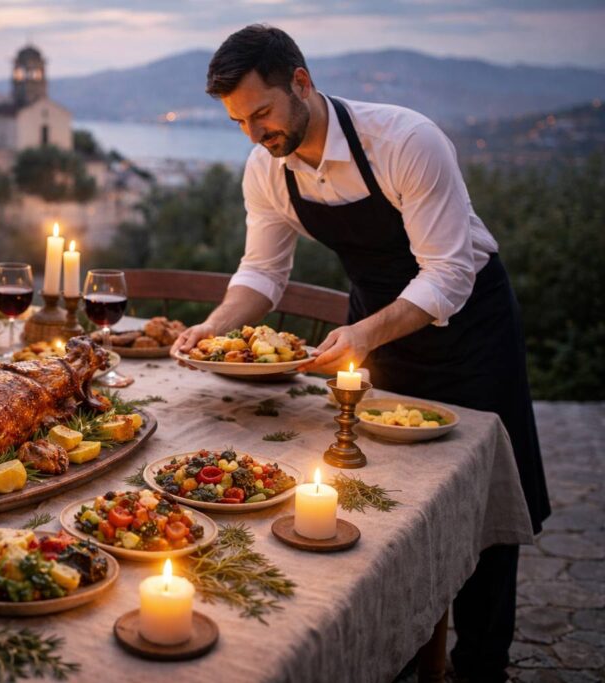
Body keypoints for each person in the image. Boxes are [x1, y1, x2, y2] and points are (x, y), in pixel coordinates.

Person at [173, 24, 549, 681]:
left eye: (261, 114)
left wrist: (365, 333)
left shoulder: (405, 141)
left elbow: (448, 274)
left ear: (302, 82)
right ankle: (396, 648)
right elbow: (262, 274)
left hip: (470, 331)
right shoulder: (267, 169)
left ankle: (481, 664)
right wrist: (213, 325)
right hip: (374, 325)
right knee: (380, 490)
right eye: (238, 122)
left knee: (476, 496)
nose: (254, 135)